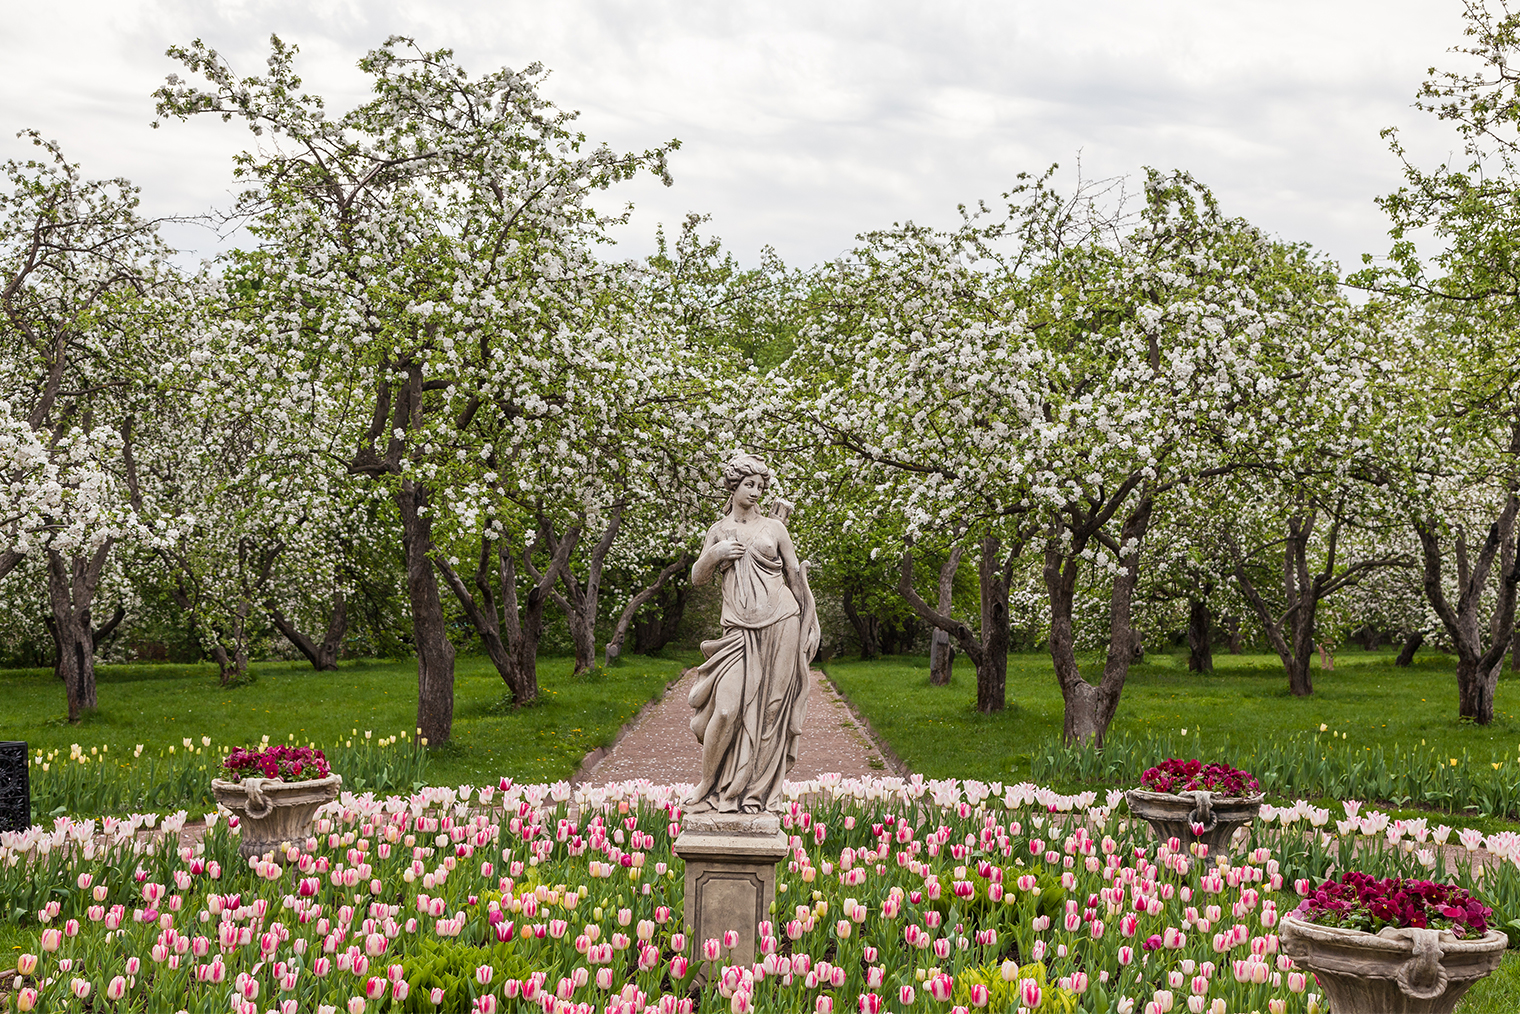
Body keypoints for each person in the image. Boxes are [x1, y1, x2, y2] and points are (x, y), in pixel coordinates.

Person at [686, 454, 820, 814]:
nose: (756, 491)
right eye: (750, 484)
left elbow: (795, 577)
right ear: (734, 487)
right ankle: (707, 783)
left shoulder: (776, 528)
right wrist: (715, 554)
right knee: (727, 709)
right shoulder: (718, 530)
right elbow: (698, 577)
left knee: (772, 710)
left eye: (761, 486)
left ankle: (754, 793)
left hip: (782, 622)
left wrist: (810, 624)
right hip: (738, 632)